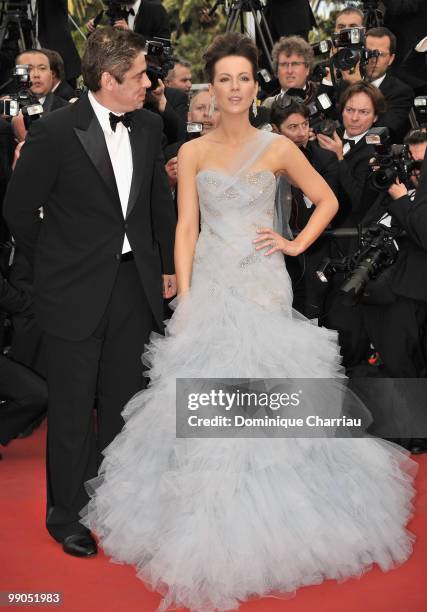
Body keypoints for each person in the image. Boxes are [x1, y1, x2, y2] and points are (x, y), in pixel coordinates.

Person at [81, 33, 416, 611]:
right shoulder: (192, 152)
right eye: (225, 79)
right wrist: (184, 299)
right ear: (212, 87)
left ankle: (284, 514)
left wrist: (294, 243)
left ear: (256, 86)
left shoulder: (277, 147)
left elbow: (329, 200)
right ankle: (207, 515)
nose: (235, 88)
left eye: (244, 79)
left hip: (262, 283)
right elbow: (186, 229)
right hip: (212, 282)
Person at [3, 27, 176, 558]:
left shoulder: (149, 126)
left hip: (133, 285)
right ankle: (67, 515)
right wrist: (56, 266)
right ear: (108, 79)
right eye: (141, 75)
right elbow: (17, 212)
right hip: (71, 290)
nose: (149, 81)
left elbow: (154, 206)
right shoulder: (55, 131)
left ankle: (119, 503)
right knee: (74, 407)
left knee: (125, 401)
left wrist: (166, 264)